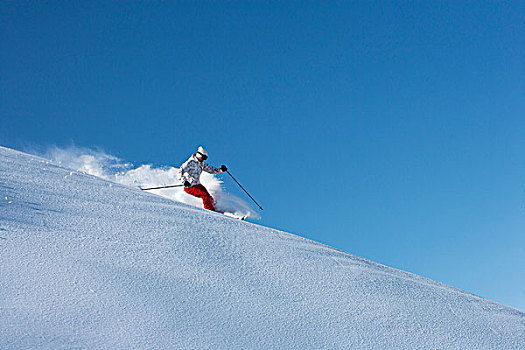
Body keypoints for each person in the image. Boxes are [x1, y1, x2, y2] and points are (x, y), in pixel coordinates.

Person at [177, 146, 227, 212]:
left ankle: (216, 209)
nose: (204, 159)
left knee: (209, 197)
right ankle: (210, 212)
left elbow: (210, 169)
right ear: (198, 155)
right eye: (203, 157)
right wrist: (184, 182)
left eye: (205, 158)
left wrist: (220, 170)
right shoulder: (190, 162)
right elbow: (180, 172)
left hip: (197, 185)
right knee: (205, 195)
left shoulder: (201, 163)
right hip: (190, 186)